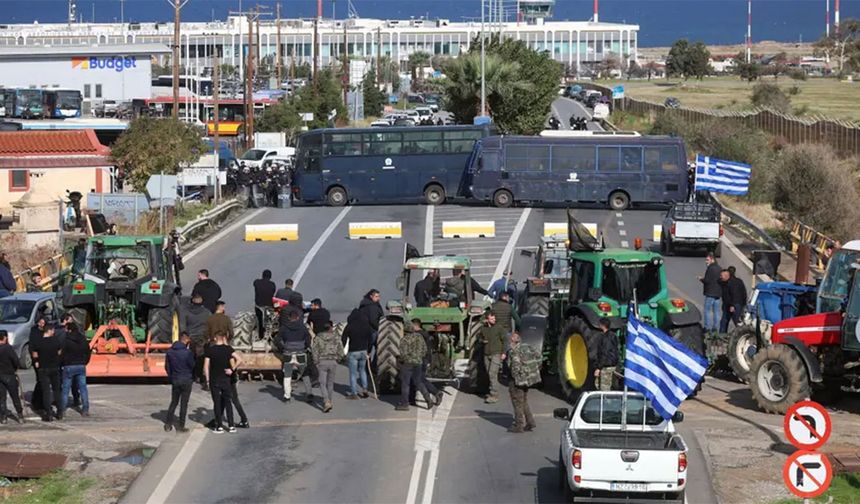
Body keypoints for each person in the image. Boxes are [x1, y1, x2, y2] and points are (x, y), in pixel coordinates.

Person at [204, 331, 242, 434]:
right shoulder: (228, 349)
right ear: (223, 338)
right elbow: (239, 359)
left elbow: (206, 366)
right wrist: (232, 369)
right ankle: (231, 426)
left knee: (217, 403)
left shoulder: (210, 350)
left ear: (216, 338)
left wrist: (207, 380)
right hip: (226, 379)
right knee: (228, 402)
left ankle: (219, 426)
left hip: (214, 380)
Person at [395, 318, 437, 411]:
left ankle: (405, 404)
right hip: (418, 362)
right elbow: (424, 350)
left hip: (408, 364)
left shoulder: (404, 339)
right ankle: (428, 399)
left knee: (405, 384)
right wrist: (418, 357)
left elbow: (402, 353)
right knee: (418, 382)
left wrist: (403, 360)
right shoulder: (419, 337)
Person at [277, 309, 313, 402]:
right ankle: (309, 393)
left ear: (289, 318)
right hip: (300, 353)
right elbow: (308, 338)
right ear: (297, 317)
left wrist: (282, 348)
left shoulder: (284, 327)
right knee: (305, 374)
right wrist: (306, 347)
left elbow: (277, 340)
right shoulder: (302, 327)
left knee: (287, 375)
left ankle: (287, 396)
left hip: (288, 353)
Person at [506, 332, 537, 433]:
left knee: (517, 403)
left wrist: (516, 378)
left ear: (512, 341)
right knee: (524, 401)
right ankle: (530, 421)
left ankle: (519, 425)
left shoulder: (514, 351)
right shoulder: (527, 347)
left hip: (517, 381)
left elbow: (515, 366)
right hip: (527, 380)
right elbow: (539, 356)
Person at [311, 321, 345, 413]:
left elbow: (314, 350)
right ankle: (329, 400)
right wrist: (338, 359)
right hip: (333, 362)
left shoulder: (318, 338)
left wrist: (316, 361)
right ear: (331, 328)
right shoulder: (336, 337)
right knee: (330, 383)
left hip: (322, 362)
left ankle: (326, 401)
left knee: (322, 383)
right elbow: (341, 351)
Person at [407, 319, 443, 406]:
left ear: (415, 326)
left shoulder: (418, 335)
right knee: (416, 379)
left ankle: (436, 393)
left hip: (419, 359)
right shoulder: (425, 334)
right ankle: (411, 399)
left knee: (418, 379)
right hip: (424, 359)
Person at [164, 332, 195, 432]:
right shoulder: (187, 352)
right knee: (184, 404)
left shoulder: (169, 352)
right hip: (186, 379)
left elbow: (167, 367)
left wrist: (171, 376)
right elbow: (192, 365)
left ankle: (168, 424)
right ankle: (181, 426)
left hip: (175, 379)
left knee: (174, 402)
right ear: (186, 340)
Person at [58, 322, 90, 418]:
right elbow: (88, 352)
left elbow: (61, 354)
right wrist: (85, 362)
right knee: (83, 388)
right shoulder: (83, 339)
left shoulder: (65, 340)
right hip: (81, 365)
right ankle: (85, 409)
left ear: (69, 329)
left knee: (65, 389)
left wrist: (62, 363)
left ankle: (62, 410)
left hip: (69, 366)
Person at [32, 325, 62, 421]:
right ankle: (60, 412)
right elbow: (59, 352)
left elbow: (35, 354)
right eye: (53, 330)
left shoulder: (39, 342)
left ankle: (48, 413)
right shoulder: (55, 340)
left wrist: (37, 361)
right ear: (49, 331)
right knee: (56, 390)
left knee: (46, 391)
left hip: (43, 368)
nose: (53, 332)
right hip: (55, 367)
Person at [342, 308, 372, 399]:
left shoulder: (350, 326)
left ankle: (354, 393)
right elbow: (370, 339)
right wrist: (369, 350)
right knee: (362, 371)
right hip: (363, 351)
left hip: (353, 352)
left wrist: (343, 349)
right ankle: (365, 389)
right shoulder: (367, 326)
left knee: (353, 373)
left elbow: (343, 338)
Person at [181, 294, 211, 386]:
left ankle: (193, 375)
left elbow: (182, 326)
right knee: (201, 358)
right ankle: (201, 376)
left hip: (191, 338)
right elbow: (210, 325)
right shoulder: (207, 312)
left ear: (191, 302)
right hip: (202, 338)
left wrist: (185, 336)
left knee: (191, 357)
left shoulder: (185, 312)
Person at [479, 311, 506, 404]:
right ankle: (491, 392)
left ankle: (494, 395)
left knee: (492, 374)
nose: (494, 319)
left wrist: (504, 352)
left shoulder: (499, 328)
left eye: (494, 318)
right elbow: (479, 338)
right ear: (487, 319)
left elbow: (505, 340)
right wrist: (482, 341)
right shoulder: (483, 329)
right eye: (492, 318)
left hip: (496, 353)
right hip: (486, 354)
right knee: (489, 373)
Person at [0, 330, 24, 424]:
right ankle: (20, 415)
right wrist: (15, 368)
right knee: (15, 396)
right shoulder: (8, 348)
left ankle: (3, 417)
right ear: (5, 338)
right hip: (9, 375)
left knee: (2, 397)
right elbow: (16, 361)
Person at [698, 253, 722, 335]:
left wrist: (701, 279)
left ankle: (707, 327)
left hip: (710, 293)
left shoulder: (710, 269)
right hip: (718, 294)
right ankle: (715, 328)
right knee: (716, 312)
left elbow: (707, 281)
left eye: (707, 260)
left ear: (712, 260)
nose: (706, 262)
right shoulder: (719, 268)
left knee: (707, 311)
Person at [594, 318, 619, 392]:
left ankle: (606, 403)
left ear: (602, 325)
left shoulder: (605, 338)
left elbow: (604, 352)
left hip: (606, 366)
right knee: (612, 387)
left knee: (604, 389)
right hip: (613, 366)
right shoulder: (614, 336)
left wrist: (599, 368)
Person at [719, 268, 748, 334]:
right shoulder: (737, 281)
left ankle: (740, 335)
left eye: (721, 276)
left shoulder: (731, 283)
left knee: (736, 322)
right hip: (731, 305)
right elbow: (744, 293)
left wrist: (732, 305)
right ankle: (722, 336)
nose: (720, 277)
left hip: (734, 305)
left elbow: (735, 295)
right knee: (724, 321)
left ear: (727, 275)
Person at [28, 318, 46, 414]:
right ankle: (37, 402)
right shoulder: (34, 332)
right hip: (38, 359)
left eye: (44, 323)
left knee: (42, 381)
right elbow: (32, 347)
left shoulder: (45, 331)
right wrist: (35, 360)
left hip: (44, 359)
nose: (42, 324)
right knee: (40, 380)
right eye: (41, 322)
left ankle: (39, 401)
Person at [253, 269, 277, 342]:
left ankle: (259, 334)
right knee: (270, 321)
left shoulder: (257, 282)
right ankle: (270, 334)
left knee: (258, 320)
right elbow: (273, 291)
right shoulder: (272, 284)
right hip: (269, 306)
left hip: (258, 306)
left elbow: (255, 285)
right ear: (270, 277)